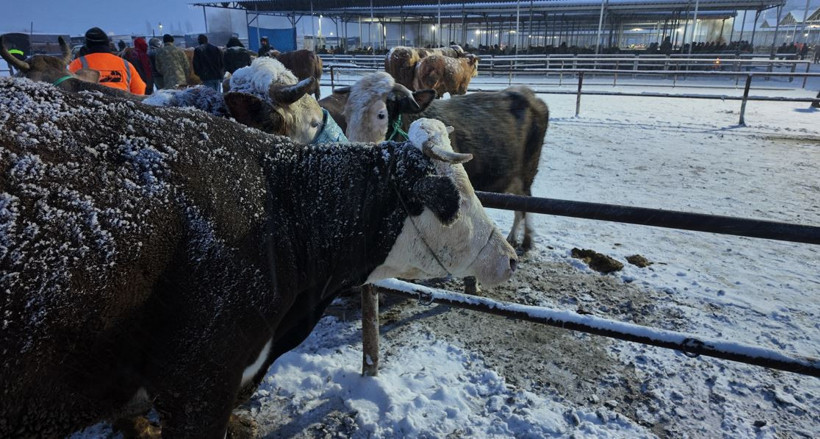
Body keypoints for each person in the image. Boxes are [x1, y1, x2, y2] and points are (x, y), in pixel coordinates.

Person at [68, 27, 146, 95]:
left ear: (87, 45)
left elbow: (69, 88)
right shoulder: (125, 64)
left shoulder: (78, 64)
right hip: (123, 108)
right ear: (107, 44)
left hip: (93, 108)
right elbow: (139, 90)